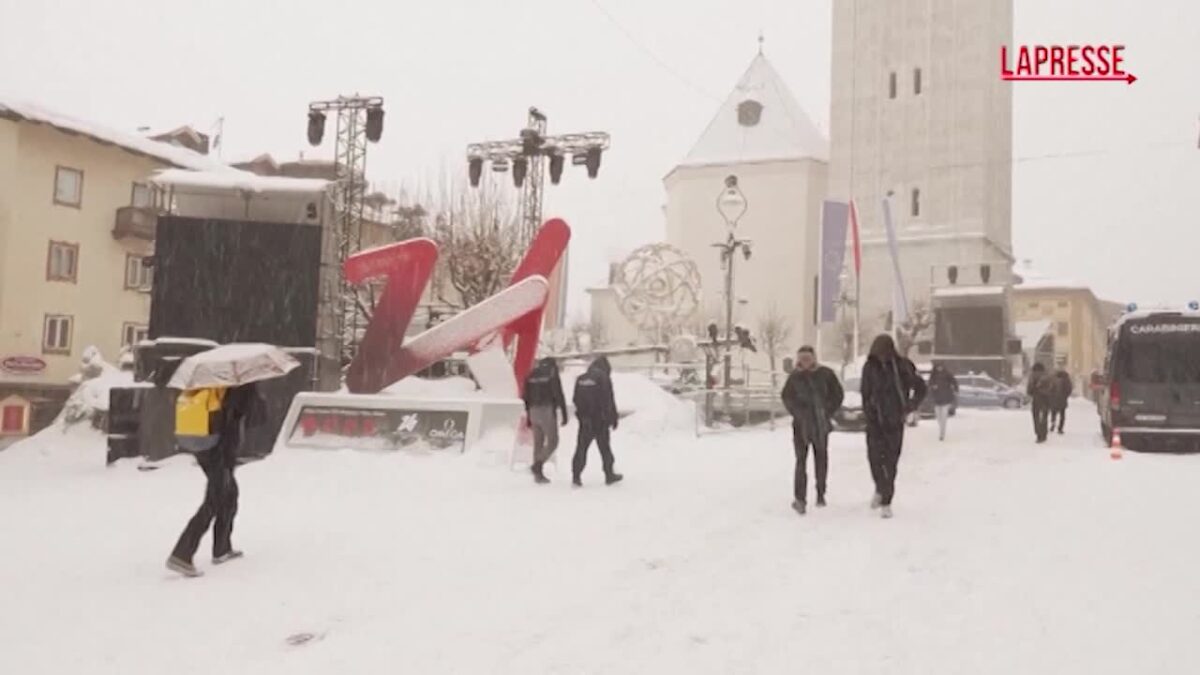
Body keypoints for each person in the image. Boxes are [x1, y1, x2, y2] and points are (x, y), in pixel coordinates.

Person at [167, 382, 266, 577]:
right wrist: (255, 395)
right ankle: (182, 554)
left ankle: (222, 548)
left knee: (229, 493)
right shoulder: (239, 384)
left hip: (202, 441)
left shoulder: (210, 381)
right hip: (219, 447)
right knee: (216, 498)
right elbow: (255, 417)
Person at [860, 334, 927, 519]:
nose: (881, 355)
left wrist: (910, 405)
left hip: (895, 421)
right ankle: (880, 488)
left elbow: (921, 387)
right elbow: (865, 392)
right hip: (874, 421)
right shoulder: (869, 367)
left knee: (890, 462)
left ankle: (886, 501)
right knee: (874, 459)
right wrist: (868, 410)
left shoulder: (902, 366)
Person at [780, 346, 844, 514]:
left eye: (808, 358)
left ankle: (821, 492)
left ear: (814, 358)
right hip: (801, 425)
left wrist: (826, 411)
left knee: (821, 458)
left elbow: (838, 394)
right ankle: (800, 498)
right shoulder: (794, 377)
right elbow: (786, 397)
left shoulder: (826, 374)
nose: (805, 362)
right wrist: (797, 412)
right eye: (802, 359)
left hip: (820, 423)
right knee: (801, 461)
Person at [571, 356, 622, 487]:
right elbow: (608, 399)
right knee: (605, 448)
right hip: (600, 420)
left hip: (585, 420)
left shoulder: (581, 379)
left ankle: (576, 476)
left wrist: (582, 415)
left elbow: (575, 399)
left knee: (581, 448)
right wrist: (613, 418)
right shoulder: (603, 378)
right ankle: (609, 474)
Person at [522, 357, 568, 484]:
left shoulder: (531, 374)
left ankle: (538, 476)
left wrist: (528, 415)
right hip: (547, 409)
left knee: (538, 443)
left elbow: (525, 396)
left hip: (533, 410)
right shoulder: (551, 373)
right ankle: (537, 465)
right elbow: (558, 393)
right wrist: (564, 414)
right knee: (553, 441)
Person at [927, 364, 959, 442]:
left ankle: (942, 433)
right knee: (938, 417)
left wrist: (956, 389)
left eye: (941, 366)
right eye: (938, 367)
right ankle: (941, 428)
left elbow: (954, 382)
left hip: (946, 399)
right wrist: (933, 386)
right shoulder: (933, 375)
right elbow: (929, 384)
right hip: (937, 399)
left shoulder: (947, 374)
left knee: (944, 416)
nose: (939, 368)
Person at [1027, 363, 1054, 443]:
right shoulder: (1048, 376)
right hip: (1046, 399)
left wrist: (1033, 392)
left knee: (1036, 417)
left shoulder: (1032, 376)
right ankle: (1044, 434)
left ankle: (1039, 434)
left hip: (1036, 399)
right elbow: (1053, 388)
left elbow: (1029, 389)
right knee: (1044, 417)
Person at [1049, 370, 1073, 434]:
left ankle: (1053, 423)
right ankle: (1060, 428)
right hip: (1062, 399)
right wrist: (1065, 396)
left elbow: (1050, 388)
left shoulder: (1053, 379)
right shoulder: (1066, 380)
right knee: (1062, 414)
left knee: (1053, 413)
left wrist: (1051, 396)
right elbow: (1069, 389)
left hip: (1054, 399)